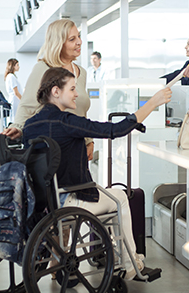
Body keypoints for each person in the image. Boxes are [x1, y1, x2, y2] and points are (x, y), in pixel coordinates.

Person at [22, 67, 173, 280]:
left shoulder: (29, 126)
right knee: (120, 197)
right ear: (56, 91)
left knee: (106, 195)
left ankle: (108, 255)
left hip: (44, 204)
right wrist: (152, 103)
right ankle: (131, 264)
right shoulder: (67, 121)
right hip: (70, 201)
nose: (77, 94)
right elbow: (115, 130)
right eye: (72, 89)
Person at [4, 18, 94, 161]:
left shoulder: (81, 73)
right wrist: (18, 127)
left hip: (76, 147)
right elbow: (27, 105)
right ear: (58, 43)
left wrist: (89, 141)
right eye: (72, 39)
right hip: (51, 149)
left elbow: (80, 112)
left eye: (79, 36)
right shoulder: (43, 68)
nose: (79, 42)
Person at [4, 58, 23, 123]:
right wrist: (23, 100)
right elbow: (16, 92)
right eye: (17, 65)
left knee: (14, 119)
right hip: (15, 100)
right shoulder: (11, 76)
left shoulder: (11, 76)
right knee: (14, 120)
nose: (19, 67)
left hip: (15, 100)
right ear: (13, 66)